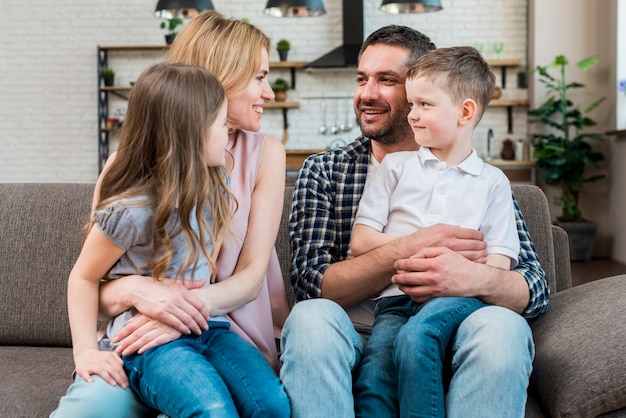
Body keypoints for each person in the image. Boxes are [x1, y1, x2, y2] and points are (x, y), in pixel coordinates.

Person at [280, 25, 549, 418]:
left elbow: (534, 287)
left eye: (386, 80)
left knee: (503, 330)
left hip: (456, 319)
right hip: (360, 325)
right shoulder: (325, 172)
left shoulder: (486, 180)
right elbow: (311, 283)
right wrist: (416, 245)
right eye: (361, 79)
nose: (366, 94)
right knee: (309, 318)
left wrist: (469, 278)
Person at [51, 11, 289, 417]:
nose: (268, 92)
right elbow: (94, 277)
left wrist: (179, 314)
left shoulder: (254, 160)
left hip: (221, 329)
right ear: (217, 80)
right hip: (142, 338)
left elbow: (251, 276)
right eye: (259, 77)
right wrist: (132, 296)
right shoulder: (130, 176)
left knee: (261, 404)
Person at [349, 46, 520, 417]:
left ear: (465, 112)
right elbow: (361, 241)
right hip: (393, 299)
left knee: (416, 339)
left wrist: (459, 276)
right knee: (375, 369)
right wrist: (425, 247)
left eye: (424, 104)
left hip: (458, 299)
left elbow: (500, 265)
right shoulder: (394, 168)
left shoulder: (492, 182)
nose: (411, 115)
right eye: (411, 104)